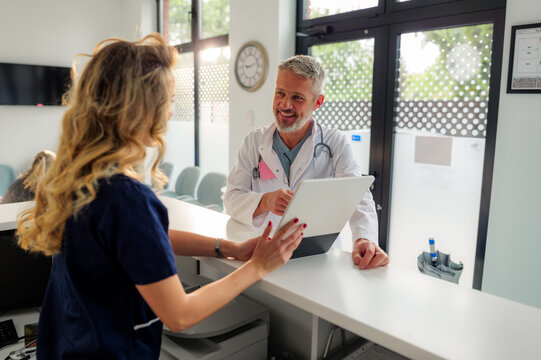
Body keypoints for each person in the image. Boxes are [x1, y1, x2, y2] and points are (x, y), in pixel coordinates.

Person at [16, 33, 305, 359]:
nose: (169, 114)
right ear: (141, 109)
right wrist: (257, 267)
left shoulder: (77, 177)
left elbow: (143, 239)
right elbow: (179, 315)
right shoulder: (125, 198)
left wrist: (229, 247)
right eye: (166, 101)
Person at [224, 55, 389, 270]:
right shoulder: (253, 142)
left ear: (317, 102)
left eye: (297, 98)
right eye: (280, 93)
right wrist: (265, 201)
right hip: (262, 252)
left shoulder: (335, 144)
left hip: (318, 258)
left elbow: (358, 196)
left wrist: (364, 239)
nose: (285, 105)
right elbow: (232, 199)